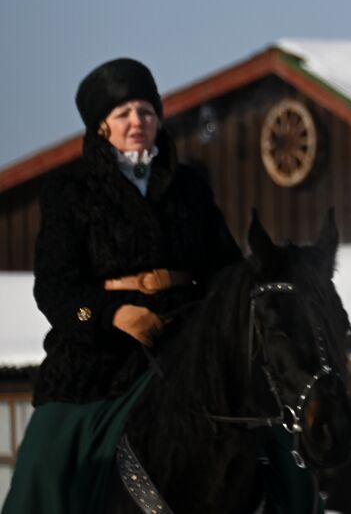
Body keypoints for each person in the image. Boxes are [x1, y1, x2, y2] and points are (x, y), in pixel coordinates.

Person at [3, 57, 242, 512]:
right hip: (98, 359)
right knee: (45, 454)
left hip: (188, 342)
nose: (138, 122)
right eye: (124, 114)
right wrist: (111, 315)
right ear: (100, 128)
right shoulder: (68, 191)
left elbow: (227, 269)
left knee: (272, 434)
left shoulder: (191, 184)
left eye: (147, 112)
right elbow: (54, 287)